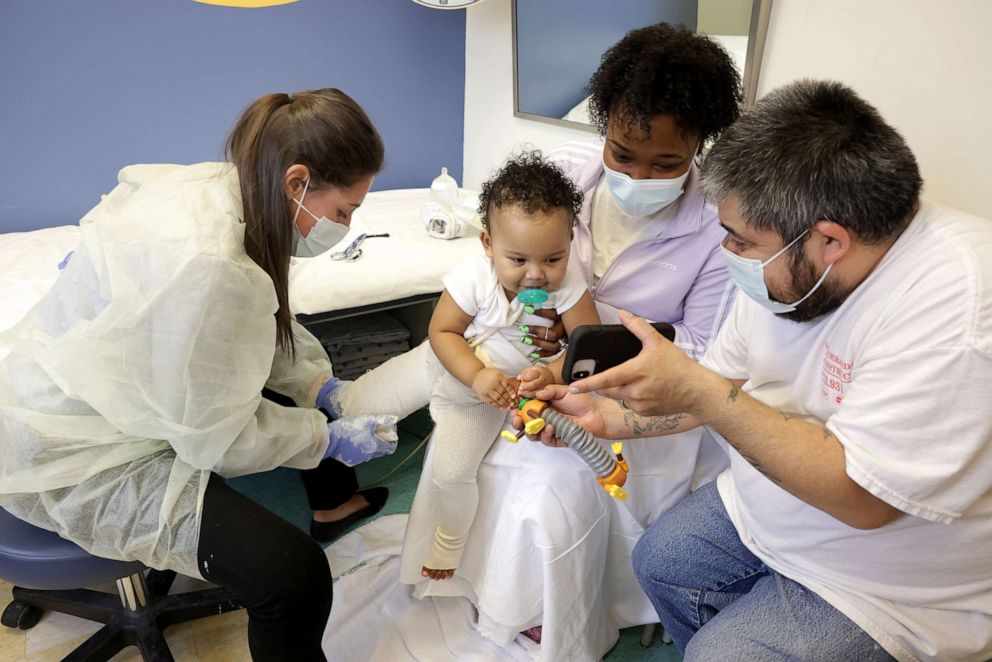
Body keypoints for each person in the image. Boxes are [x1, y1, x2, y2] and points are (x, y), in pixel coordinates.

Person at [528, 80, 992, 661]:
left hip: (895, 585)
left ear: (830, 241)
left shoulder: (959, 304)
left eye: (740, 241)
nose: (728, 254)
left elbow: (864, 501)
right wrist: (607, 416)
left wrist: (699, 391)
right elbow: (725, 384)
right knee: (661, 562)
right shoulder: (788, 271)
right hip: (771, 508)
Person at [337, 23, 744, 660]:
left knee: (538, 489)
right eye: (621, 153)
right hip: (530, 367)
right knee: (458, 446)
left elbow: (693, 344)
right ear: (603, 129)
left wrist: (575, 352)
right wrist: (534, 350)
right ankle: (464, 578)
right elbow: (508, 266)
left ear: (699, 146)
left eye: (665, 163)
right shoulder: (559, 186)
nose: (638, 174)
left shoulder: (715, 231)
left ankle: (538, 613)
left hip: (635, 393)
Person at [0, 88, 400, 661]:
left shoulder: (220, 191)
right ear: (298, 183)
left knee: (279, 389)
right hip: (70, 453)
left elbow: (250, 330)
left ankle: (333, 503)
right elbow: (223, 440)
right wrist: (323, 437)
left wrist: (316, 383)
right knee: (293, 577)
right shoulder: (212, 267)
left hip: (66, 392)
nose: (346, 226)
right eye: (344, 212)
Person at [416, 152, 600, 581]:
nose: (536, 275)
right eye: (518, 261)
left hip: (495, 398)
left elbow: (586, 345)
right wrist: (477, 374)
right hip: (461, 370)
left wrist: (553, 373)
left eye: (552, 260)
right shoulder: (472, 277)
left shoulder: (568, 284)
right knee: (368, 399)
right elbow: (442, 333)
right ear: (488, 244)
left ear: (570, 243)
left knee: (452, 470)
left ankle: (449, 543)